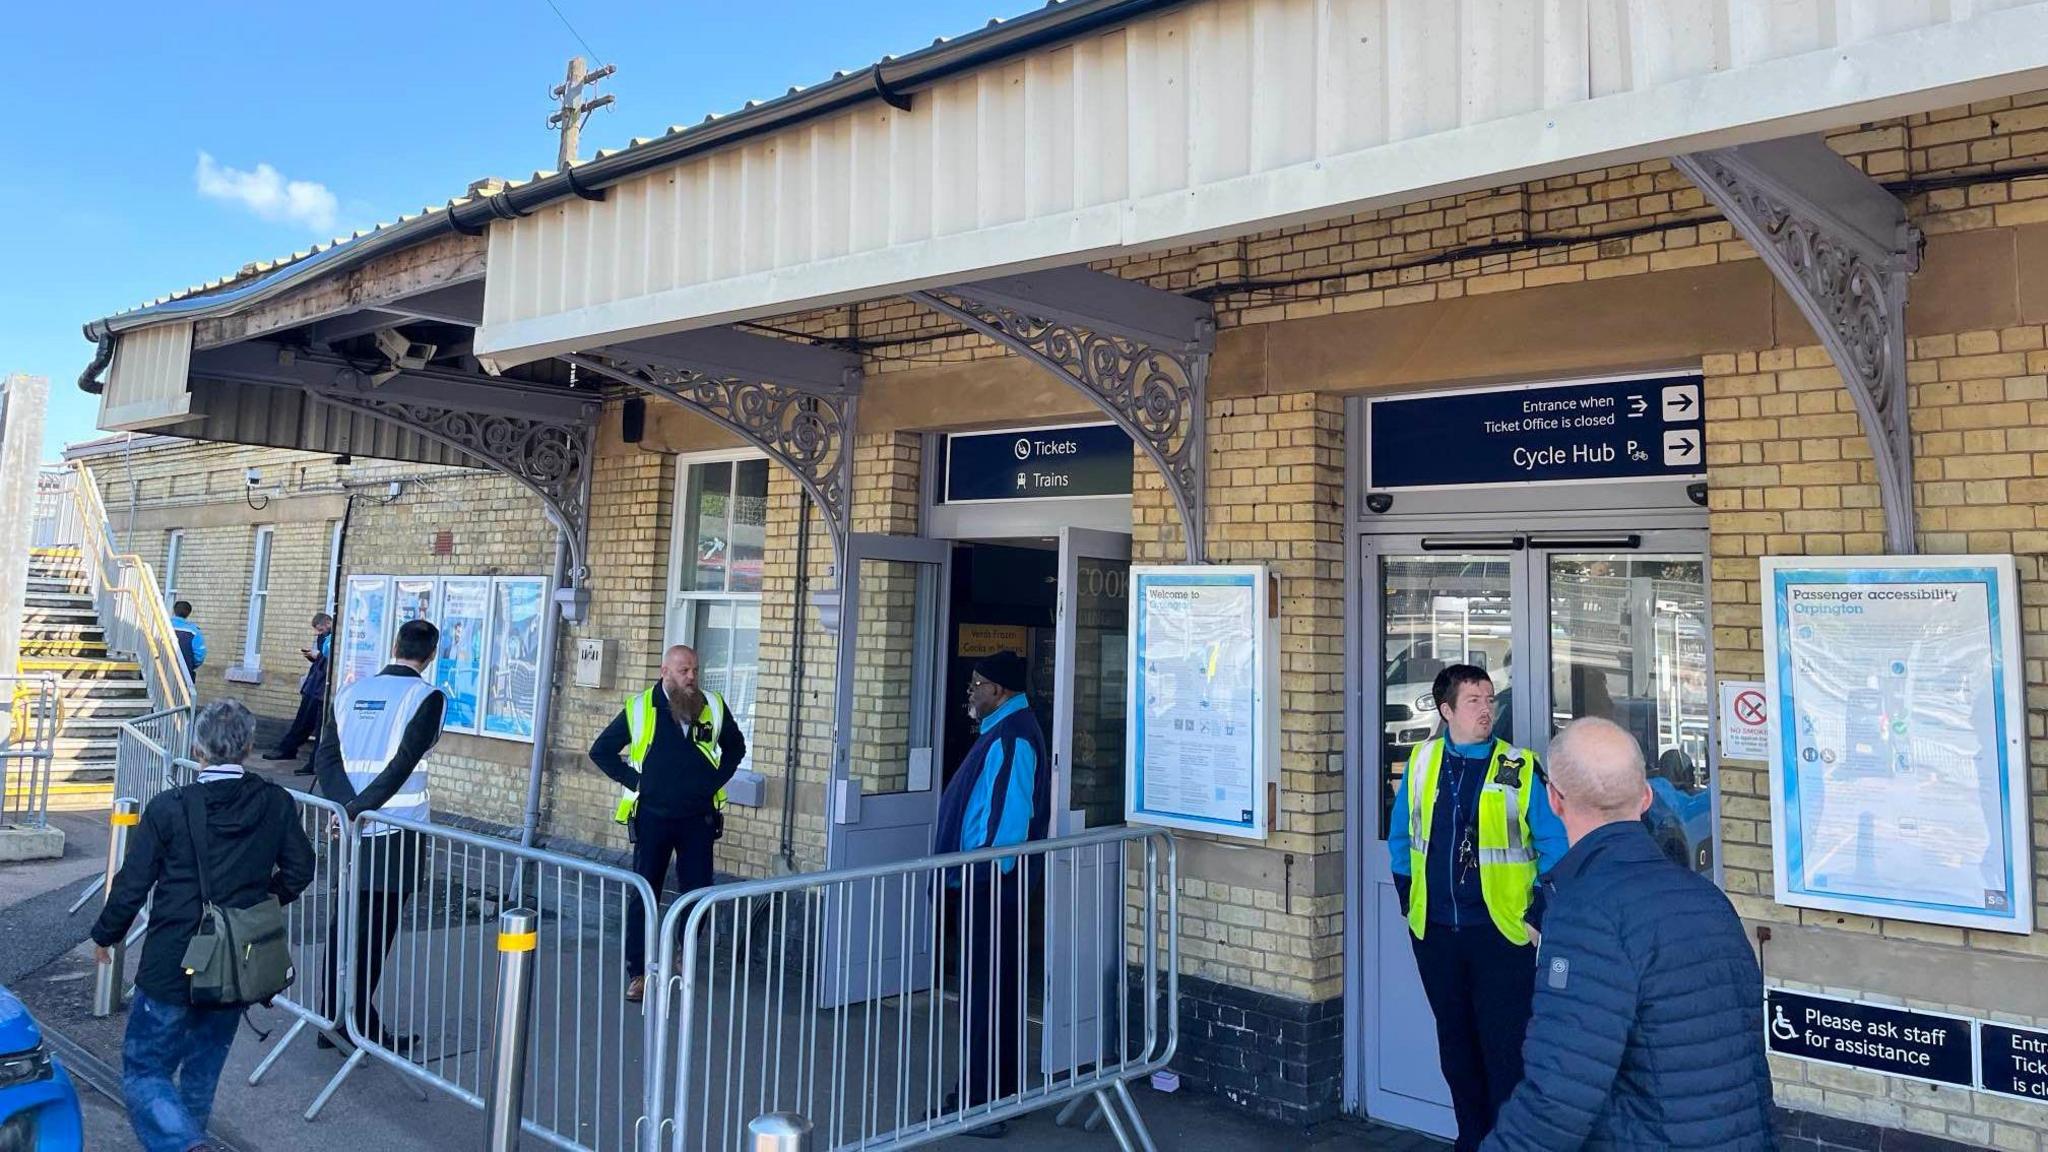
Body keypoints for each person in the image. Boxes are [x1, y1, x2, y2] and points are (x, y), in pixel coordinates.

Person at [1481, 718, 1773, 1150]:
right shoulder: (1708, 899)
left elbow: (1558, 1098)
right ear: (1646, 797)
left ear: (1554, 800)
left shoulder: (1584, 913)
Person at [90, 699, 314, 1152]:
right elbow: (299, 869)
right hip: (236, 962)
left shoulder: (169, 807)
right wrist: (263, 901)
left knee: (144, 1071)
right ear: (248, 746)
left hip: (172, 956)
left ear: (198, 749)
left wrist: (107, 934)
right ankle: (192, 1140)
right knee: (201, 1076)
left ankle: (187, 1146)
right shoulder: (276, 802)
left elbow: (134, 883)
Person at [1387, 664, 1568, 1152]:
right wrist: (1407, 897)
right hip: (1437, 933)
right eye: (1473, 701)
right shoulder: (1423, 763)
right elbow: (1402, 837)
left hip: (1501, 936)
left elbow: (1556, 845)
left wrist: (1538, 916)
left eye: (1489, 699)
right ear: (1446, 711)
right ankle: (1471, 1140)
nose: (1486, 708)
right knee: (1456, 1046)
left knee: (1505, 1052)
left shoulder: (1519, 767)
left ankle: (1507, 1143)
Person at [931, 651, 1050, 1140]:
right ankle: (1000, 1095)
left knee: (986, 994)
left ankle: (980, 1103)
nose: (970, 691)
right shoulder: (1004, 729)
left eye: (976, 683)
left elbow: (1006, 818)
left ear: (997, 689)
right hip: (990, 883)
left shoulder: (1014, 735)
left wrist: (978, 872)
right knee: (996, 992)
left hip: (992, 886)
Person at [315, 618, 446, 1052]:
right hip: (396, 829)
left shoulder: (351, 692)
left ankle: (330, 1016)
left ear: (394, 645)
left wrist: (344, 807)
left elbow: (326, 759)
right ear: (430, 655)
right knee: (375, 930)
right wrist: (360, 808)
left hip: (348, 826)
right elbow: (404, 763)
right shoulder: (426, 697)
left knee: (345, 922)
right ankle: (356, 1025)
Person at [589, 644, 746, 1003]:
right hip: (653, 817)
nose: (691, 677)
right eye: (683, 671)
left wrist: (713, 781)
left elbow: (735, 748)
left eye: (694, 670)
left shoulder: (712, 705)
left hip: (697, 818)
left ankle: (682, 955)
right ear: (665, 671)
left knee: (699, 891)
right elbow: (600, 751)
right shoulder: (641, 707)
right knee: (645, 893)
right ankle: (638, 973)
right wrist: (637, 782)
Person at [266, 612, 333, 771]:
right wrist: (314, 657)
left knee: (317, 724)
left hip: (322, 687)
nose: (318, 633)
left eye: (320, 629)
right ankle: (288, 749)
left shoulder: (334, 637)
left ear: (328, 623)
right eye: (317, 630)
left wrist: (319, 657)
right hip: (315, 685)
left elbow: (330, 662)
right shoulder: (326, 637)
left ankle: (312, 762)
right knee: (303, 720)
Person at [171, 601, 206, 674]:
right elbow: (200, 654)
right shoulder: (194, 631)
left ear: (174, 610)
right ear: (189, 613)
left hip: (159, 669)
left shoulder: (162, 625)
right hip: (183, 672)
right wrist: (190, 665)